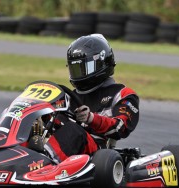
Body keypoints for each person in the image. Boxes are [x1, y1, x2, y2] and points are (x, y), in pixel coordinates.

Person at [36, 34, 140, 164]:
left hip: (97, 154)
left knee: (74, 130)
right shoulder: (68, 97)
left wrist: (91, 118)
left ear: (100, 63)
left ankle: (42, 163)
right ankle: (11, 156)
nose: (78, 74)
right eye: (75, 69)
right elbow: (58, 123)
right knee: (32, 122)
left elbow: (121, 127)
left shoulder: (122, 94)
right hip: (65, 149)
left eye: (83, 68)